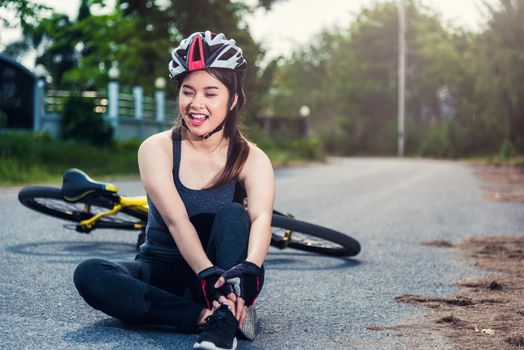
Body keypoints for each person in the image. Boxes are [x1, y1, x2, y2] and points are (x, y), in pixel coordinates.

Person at [73, 31, 275, 350]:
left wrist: (250, 268)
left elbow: (262, 217)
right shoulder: (157, 148)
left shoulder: (252, 157)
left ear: (233, 99)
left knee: (235, 215)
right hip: (163, 270)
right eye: (188, 91)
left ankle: (224, 317)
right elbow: (176, 220)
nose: (196, 104)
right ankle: (208, 316)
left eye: (211, 93)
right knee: (90, 273)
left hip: (222, 273)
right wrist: (204, 274)